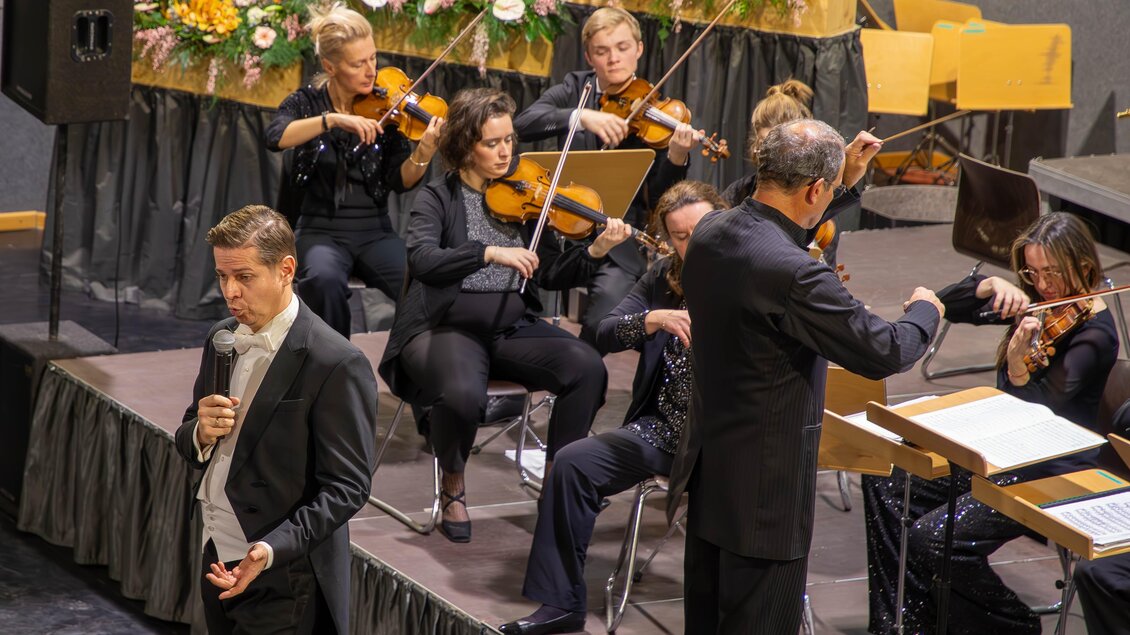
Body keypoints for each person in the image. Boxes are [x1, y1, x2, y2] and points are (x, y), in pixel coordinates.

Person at [667, 119, 944, 633]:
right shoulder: (797, 274)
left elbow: (774, 229)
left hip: (711, 478)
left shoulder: (710, 231)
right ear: (815, 189)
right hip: (766, 501)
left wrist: (846, 183)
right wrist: (926, 310)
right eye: (830, 189)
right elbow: (887, 350)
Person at [378, 88, 632, 543]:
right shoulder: (439, 197)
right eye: (491, 143)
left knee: (587, 368)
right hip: (445, 326)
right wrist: (487, 252)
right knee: (462, 393)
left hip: (509, 327)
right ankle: (453, 482)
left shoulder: (526, 197)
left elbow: (549, 273)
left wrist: (595, 250)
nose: (505, 152)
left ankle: (558, 480)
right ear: (464, 146)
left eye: (510, 140)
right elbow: (423, 260)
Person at [863, 212, 1120, 634]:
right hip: (1001, 452)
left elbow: (1041, 417)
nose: (1043, 285)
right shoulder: (1036, 304)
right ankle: (901, 624)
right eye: (1032, 273)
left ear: (1083, 266)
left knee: (934, 539)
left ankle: (1012, 624)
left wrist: (1018, 371)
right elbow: (942, 304)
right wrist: (985, 286)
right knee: (889, 480)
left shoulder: (1094, 334)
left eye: (1052, 273)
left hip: (1048, 468)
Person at [498, 181, 726, 635]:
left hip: (725, 443)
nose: (692, 244)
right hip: (663, 433)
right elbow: (602, 332)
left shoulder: (750, 278)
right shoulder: (663, 278)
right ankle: (561, 603)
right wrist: (651, 319)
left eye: (701, 230)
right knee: (571, 463)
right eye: (681, 236)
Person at [174, 205, 377, 634]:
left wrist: (268, 550)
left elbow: (348, 488)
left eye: (244, 277)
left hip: (285, 572)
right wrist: (199, 434)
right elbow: (191, 427)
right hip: (216, 554)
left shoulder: (336, 361)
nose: (230, 292)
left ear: (286, 270)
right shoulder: (221, 337)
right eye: (222, 276)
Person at [512, 6, 695, 348]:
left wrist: (676, 156)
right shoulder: (576, 89)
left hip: (618, 242)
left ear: (639, 49)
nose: (613, 59)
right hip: (560, 228)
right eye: (602, 51)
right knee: (517, 302)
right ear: (589, 57)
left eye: (622, 48)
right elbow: (522, 124)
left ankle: (578, 365)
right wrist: (580, 116)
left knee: (600, 328)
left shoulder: (653, 109)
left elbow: (658, 198)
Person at [265, 3, 443, 338]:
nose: (371, 71)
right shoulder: (307, 102)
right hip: (318, 231)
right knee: (323, 279)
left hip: (375, 231)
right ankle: (336, 364)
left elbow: (400, 180)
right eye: (358, 63)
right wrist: (332, 120)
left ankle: (407, 363)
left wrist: (425, 151)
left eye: (373, 58)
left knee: (420, 281)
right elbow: (275, 137)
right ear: (330, 66)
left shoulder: (387, 108)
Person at [721, 79, 880, 267]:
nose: (774, 155)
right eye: (767, 144)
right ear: (757, 145)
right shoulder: (737, 193)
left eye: (784, 147)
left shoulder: (817, 212)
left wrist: (843, 179)